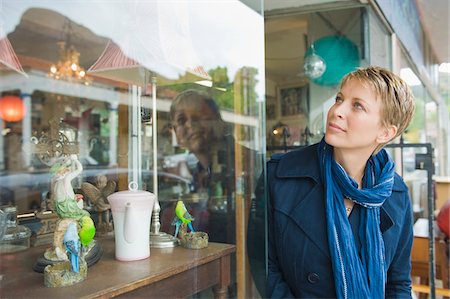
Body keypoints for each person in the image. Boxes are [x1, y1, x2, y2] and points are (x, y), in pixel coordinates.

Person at [267, 66, 415, 298]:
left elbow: (398, 283)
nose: (336, 110)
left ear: (385, 132)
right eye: (339, 99)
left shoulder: (395, 193)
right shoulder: (280, 175)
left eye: (357, 105)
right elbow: (265, 268)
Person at [162, 89, 256, 245]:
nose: (190, 125)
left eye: (198, 117)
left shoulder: (245, 163)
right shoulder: (199, 171)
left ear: (219, 121)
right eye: (181, 120)